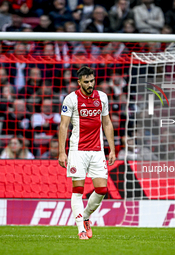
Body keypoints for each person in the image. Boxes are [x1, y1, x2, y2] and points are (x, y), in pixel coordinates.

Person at [58, 66, 116, 239]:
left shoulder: (102, 97)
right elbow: (63, 126)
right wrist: (62, 152)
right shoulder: (71, 99)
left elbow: (107, 123)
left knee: (102, 189)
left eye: (92, 81)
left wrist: (111, 149)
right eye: (86, 82)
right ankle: (81, 230)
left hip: (97, 150)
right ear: (79, 82)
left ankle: (85, 216)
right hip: (77, 150)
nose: (90, 85)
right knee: (78, 190)